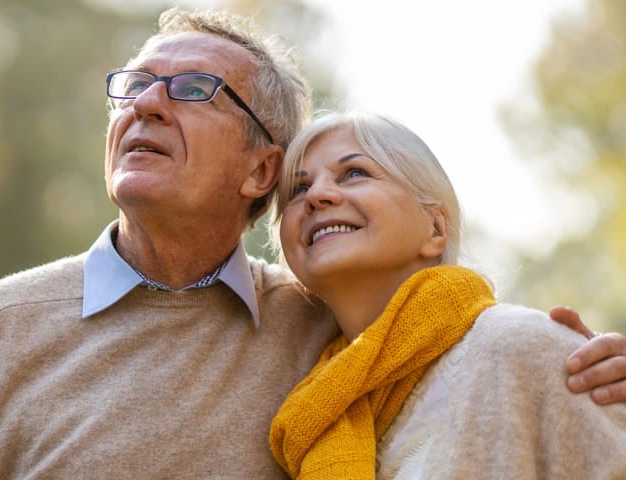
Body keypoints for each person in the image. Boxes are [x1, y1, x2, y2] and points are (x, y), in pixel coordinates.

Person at [0, 8, 626, 479]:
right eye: (135, 87)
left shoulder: (324, 335)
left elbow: (458, 354)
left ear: (259, 169)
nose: (145, 104)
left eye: (189, 90)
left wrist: (598, 375)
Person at [268, 111, 626, 479]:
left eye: (355, 173)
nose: (317, 195)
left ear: (435, 229)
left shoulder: (522, 346)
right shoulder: (313, 409)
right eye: (298, 189)